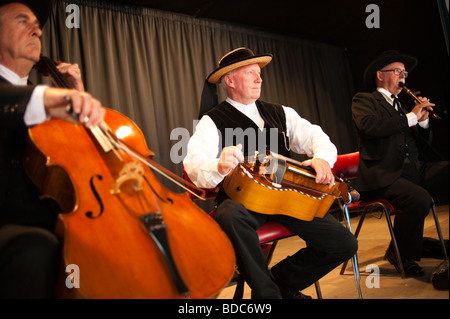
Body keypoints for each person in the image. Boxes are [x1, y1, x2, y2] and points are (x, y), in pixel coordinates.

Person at [183, 47, 357, 299]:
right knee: (229, 215)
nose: (259, 78)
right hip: (244, 200)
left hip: (287, 196)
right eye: (250, 73)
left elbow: (317, 137)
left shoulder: (280, 112)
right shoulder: (212, 121)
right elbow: (194, 164)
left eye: (259, 73)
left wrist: (322, 159)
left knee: (344, 244)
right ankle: (268, 296)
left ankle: (281, 284)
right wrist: (219, 165)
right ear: (229, 81)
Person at [0, 0, 105, 298]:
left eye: (37, 24)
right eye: (22, 21)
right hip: (12, 227)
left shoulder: (49, 98)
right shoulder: (39, 99)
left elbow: (90, 157)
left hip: (57, 219)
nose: (37, 30)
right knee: (36, 247)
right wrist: (47, 98)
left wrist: (78, 95)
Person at [351, 50, 449, 277]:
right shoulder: (364, 100)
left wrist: (423, 122)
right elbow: (370, 127)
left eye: (404, 72)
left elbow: (420, 143)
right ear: (380, 75)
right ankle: (401, 254)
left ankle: (415, 244)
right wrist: (412, 117)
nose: (403, 75)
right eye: (397, 71)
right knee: (419, 198)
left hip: (413, 169)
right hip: (384, 174)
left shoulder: (403, 107)